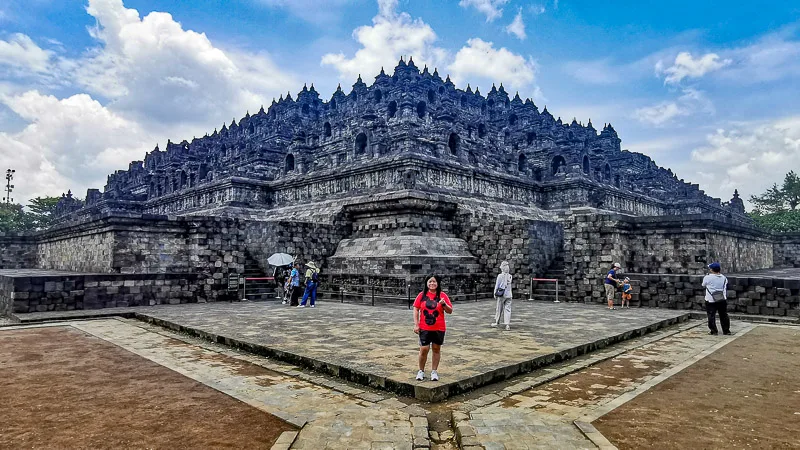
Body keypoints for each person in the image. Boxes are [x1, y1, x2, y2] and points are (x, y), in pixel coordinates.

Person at [413, 275, 453, 382]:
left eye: (434, 282)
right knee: (424, 349)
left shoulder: (442, 295)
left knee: (436, 349)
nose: (432, 284)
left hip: (439, 327)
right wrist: (416, 324)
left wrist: (444, 304)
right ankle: (421, 370)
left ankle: (434, 371)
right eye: (430, 281)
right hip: (424, 327)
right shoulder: (422, 295)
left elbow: (450, 311)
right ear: (426, 283)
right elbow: (416, 309)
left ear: (438, 283)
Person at [702, 262, 731, 335]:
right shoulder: (724, 278)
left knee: (711, 315)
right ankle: (726, 330)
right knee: (724, 315)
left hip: (710, 299)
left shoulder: (708, 277)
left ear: (712, 270)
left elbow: (703, 284)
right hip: (722, 299)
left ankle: (714, 330)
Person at [491, 261, 513, 330]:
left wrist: (495, 293)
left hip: (502, 294)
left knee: (499, 309)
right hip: (509, 295)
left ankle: (497, 322)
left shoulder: (500, 276)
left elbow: (497, 285)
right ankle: (507, 325)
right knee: (508, 309)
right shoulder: (510, 276)